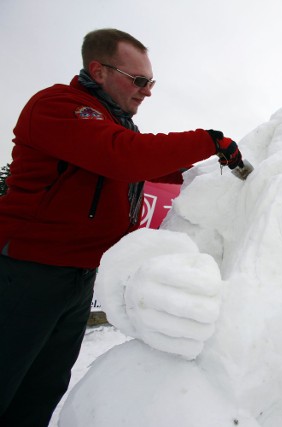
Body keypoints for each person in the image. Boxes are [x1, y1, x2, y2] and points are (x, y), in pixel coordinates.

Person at [0, 28, 244, 426]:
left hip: (77, 282)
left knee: (40, 390)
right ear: (99, 71)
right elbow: (123, 157)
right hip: (26, 272)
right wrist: (208, 141)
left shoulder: (114, 126)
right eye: (139, 80)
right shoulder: (59, 106)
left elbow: (137, 164)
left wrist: (197, 172)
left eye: (151, 82)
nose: (147, 91)